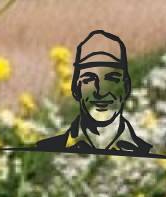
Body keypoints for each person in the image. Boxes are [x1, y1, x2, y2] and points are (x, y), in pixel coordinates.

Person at [24, 30, 153, 155]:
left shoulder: (143, 152)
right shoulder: (49, 146)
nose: (99, 92)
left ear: (126, 86)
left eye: (112, 78)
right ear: (75, 88)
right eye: (88, 79)